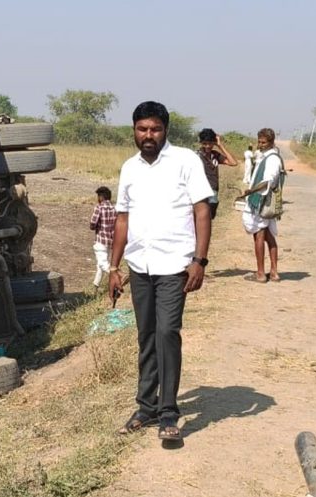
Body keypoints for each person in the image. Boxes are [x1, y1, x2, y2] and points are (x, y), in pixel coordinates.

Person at [110, 101, 213, 442]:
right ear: (134, 131)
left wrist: (199, 260)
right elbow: (122, 218)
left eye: (155, 129)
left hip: (174, 265)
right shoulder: (130, 168)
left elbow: (202, 211)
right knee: (147, 335)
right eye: (142, 129)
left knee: (167, 332)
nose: (148, 135)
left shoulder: (185, 160)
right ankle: (146, 407)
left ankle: (168, 411)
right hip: (140, 265)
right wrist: (114, 267)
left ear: (165, 130)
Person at [241, 128, 284, 283]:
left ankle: (260, 274)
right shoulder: (265, 156)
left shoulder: (272, 159)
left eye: (264, 142)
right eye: (259, 141)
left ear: (271, 142)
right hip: (261, 201)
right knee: (268, 236)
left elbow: (267, 181)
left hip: (261, 201)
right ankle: (273, 273)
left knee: (259, 235)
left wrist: (250, 191)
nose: (260, 145)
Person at [196, 128, 237, 219]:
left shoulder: (215, 155)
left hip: (213, 193)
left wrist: (220, 145)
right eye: (205, 143)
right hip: (200, 193)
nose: (208, 146)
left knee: (209, 219)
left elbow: (233, 162)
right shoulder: (196, 156)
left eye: (210, 143)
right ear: (201, 143)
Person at [90, 186, 116, 288]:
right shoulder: (114, 208)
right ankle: (95, 285)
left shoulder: (99, 207)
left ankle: (119, 275)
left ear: (101, 197)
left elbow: (93, 222)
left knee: (102, 263)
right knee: (100, 265)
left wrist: (93, 227)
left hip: (101, 239)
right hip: (110, 240)